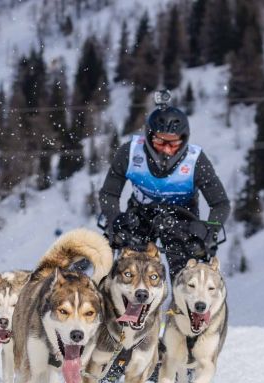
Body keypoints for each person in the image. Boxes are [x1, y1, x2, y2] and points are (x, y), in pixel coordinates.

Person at [99, 91, 231, 278]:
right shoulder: (130, 153)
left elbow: (220, 204)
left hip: (183, 219)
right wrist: (114, 220)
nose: (167, 150)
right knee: (132, 273)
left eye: (174, 143)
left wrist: (210, 231)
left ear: (184, 140)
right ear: (149, 137)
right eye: (160, 142)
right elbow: (109, 193)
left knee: (185, 278)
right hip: (140, 215)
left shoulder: (196, 161)